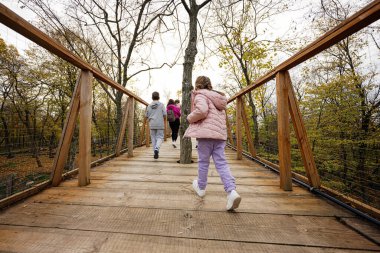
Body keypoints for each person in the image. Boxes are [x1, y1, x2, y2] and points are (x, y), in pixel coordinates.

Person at [184, 76, 241, 211]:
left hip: (206, 135)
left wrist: (189, 117)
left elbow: (202, 111)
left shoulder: (200, 95)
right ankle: (232, 191)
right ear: (210, 85)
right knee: (221, 163)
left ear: (197, 86)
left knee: (203, 162)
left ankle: (201, 187)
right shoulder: (218, 98)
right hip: (219, 135)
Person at [146, 91, 166, 159]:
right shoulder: (162, 105)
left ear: (152, 97)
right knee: (160, 137)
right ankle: (157, 148)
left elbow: (147, 115)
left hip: (152, 123)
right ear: (158, 97)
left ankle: (155, 151)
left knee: (153, 138)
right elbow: (165, 114)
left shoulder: (149, 105)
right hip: (160, 123)